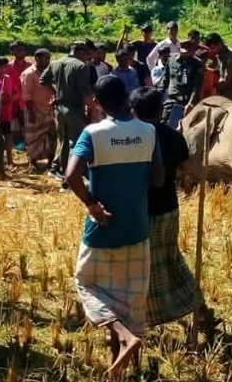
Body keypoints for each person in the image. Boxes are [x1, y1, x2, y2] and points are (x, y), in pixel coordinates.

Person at [66, 75, 164, 377]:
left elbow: (71, 175)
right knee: (132, 299)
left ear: (97, 102)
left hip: (102, 230)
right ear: (126, 97)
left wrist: (92, 204)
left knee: (86, 283)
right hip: (137, 229)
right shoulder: (148, 131)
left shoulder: (92, 134)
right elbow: (158, 180)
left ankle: (123, 336)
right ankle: (124, 365)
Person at [131, 88, 214, 331]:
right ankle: (200, 310)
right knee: (170, 261)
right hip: (168, 210)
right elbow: (197, 172)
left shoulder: (130, 137)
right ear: (160, 111)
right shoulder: (171, 137)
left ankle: (142, 319)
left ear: (133, 111)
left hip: (141, 213)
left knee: (149, 268)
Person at [41, 43, 96, 179]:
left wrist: (55, 94)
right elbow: (85, 90)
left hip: (59, 109)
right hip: (74, 109)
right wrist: (92, 106)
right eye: (86, 54)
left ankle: (62, 170)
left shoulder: (56, 63)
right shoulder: (81, 66)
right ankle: (74, 173)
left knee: (63, 140)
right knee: (76, 142)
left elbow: (43, 81)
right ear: (81, 52)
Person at [20, 49, 56, 174]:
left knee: (52, 136)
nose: (46, 61)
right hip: (34, 109)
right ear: (37, 59)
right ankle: (33, 163)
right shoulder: (28, 74)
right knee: (33, 138)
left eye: (48, 58)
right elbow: (26, 95)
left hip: (49, 110)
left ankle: (51, 163)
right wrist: (31, 113)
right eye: (44, 58)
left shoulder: (51, 72)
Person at [163, 41, 203, 130]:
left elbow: (197, 86)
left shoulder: (197, 63)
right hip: (171, 100)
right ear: (178, 49)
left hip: (186, 101)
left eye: (187, 52)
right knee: (166, 127)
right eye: (183, 51)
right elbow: (165, 80)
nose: (185, 54)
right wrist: (162, 98)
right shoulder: (171, 60)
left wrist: (191, 103)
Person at [205, 34, 232, 102]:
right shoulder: (220, 54)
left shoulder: (230, 56)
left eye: (213, 48)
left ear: (219, 44)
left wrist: (213, 90)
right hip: (224, 93)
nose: (211, 51)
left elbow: (226, 80)